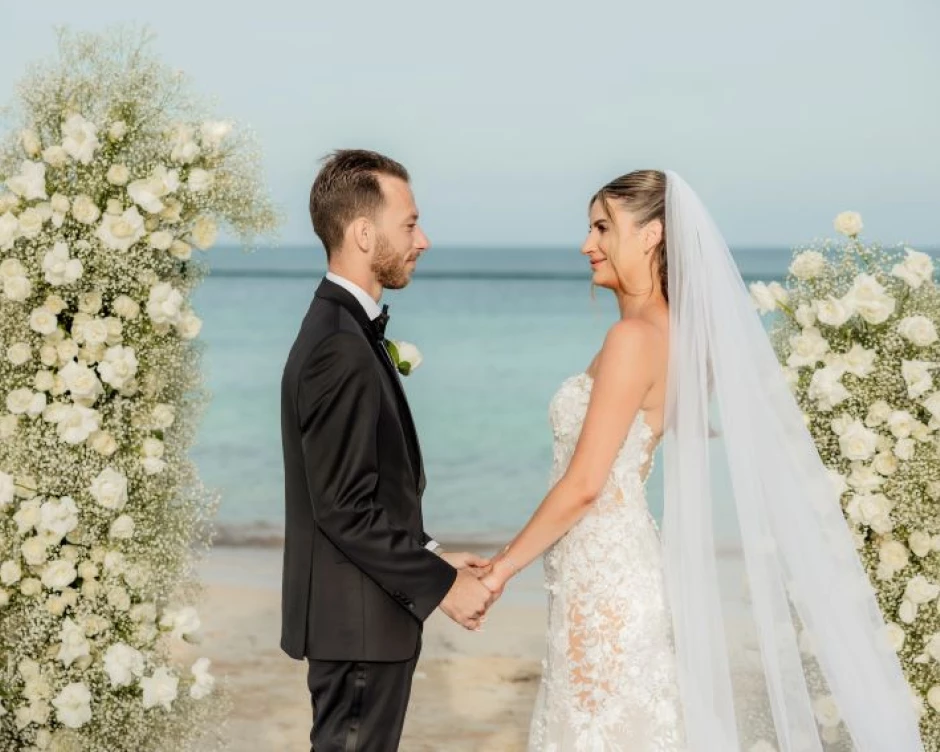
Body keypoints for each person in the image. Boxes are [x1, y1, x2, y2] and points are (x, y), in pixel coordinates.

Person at [481, 170, 923, 751]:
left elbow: (586, 483)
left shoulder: (632, 341)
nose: (587, 244)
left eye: (601, 227)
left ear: (651, 235)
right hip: (614, 567)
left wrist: (499, 570)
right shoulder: (681, 338)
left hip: (603, 579)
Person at [280, 149, 494, 751]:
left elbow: (363, 492)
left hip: (365, 622)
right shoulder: (338, 346)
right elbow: (343, 508)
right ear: (364, 232)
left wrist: (433, 555)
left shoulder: (344, 330)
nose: (422, 239)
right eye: (410, 223)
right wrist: (442, 586)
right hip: (358, 630)